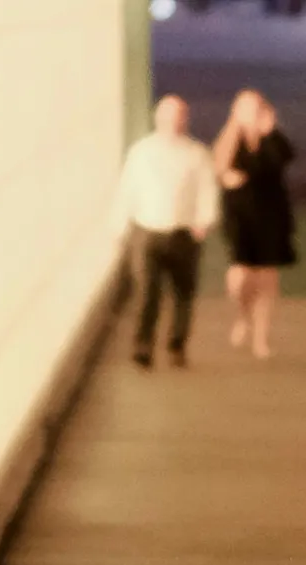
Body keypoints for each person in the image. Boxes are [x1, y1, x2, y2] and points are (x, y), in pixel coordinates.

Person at [112, 95, 219, 369]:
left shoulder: (196, 153)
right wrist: (119, 225)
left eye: (179, 117)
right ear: (157, 119)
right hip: (147, 230)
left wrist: (204, 220)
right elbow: (128, 190)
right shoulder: (141, 152)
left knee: (184, 292)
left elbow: (207, 189)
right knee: (147, 291)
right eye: (168, 117)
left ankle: (176, 343)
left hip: (183, 232)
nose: (173, 123)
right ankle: (143, 345)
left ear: (185, 120)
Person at [213, 90, 297, 360]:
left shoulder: (273, 140)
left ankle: (261, 338)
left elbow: (283, 159)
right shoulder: (230, 139)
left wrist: (269, 132)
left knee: (267, 279)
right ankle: (242, 315)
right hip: (239, 216)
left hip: (270, 216)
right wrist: (226, 177)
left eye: (254, 108)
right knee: (240, 276)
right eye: (244, 109)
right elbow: (220, 167)